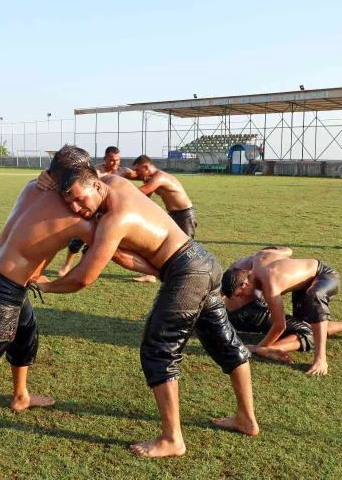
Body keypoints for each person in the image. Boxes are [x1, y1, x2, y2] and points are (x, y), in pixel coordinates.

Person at [37, 147, 257, 458]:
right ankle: (246, 419)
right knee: (224, 341)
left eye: (78, 199)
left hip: (187, 271)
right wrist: (49, 176)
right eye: (69, 201)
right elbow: (126, 253)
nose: (75, 207)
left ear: (95, 185)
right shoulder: (114, 182)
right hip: (203, 261)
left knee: (158, 349)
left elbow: (82, 279)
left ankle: (172, 439)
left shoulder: (114, 220)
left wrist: (46, 285)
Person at [0, 164, 157, 444]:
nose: (75, 204)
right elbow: (114, 254)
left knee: (25, 335)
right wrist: (160, 268)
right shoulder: (78, 220)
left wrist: (46, 175)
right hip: (3, 290)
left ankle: (21, 396)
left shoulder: (32, 188)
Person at [222, 248, 342, 363]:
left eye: (240, 294)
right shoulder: (259, 258)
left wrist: (259, 347)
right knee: (306, 325)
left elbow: (279, 325)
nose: (241, 297)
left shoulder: (270, 285)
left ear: (245, 283)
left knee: (313, 305)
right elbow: (288, 250)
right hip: (302, 284)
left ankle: (320, 359)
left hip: (324, 275)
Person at [56, 146, 137, 276]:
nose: (115, 163)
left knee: (96, 244)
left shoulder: (123, 171)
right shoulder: (96, 172)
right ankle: (67, 265)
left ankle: (82, 268)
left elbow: (140, 175)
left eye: (118, 160)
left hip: (110, 212)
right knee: (77, 240)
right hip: (91, 210)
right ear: (105, 159)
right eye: (112, 160)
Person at [129, 155, 196, 282]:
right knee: (162, 245)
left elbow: (140, 192)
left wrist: (122, 192)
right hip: (173, 215)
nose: (137, 174)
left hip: (185, 215)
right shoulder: (152, 179)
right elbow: (144, 197)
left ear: (146, 167)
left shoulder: (160, 177)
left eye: (138, 170)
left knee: (186, 248)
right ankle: (151, 275)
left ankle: (191, 273)